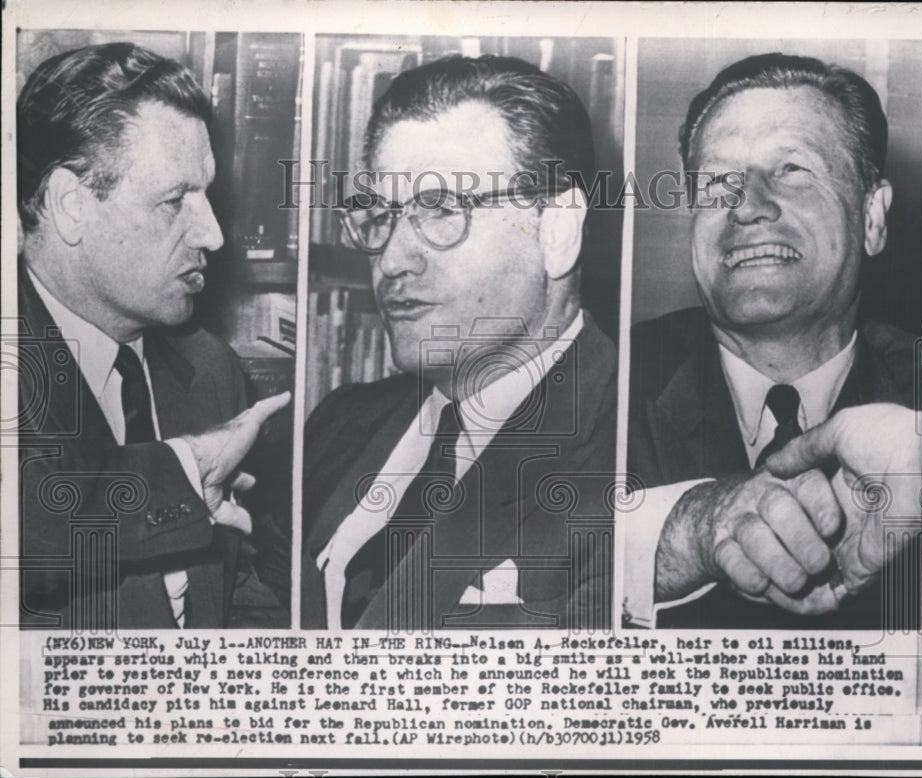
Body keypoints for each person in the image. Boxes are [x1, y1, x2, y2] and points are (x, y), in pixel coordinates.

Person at [301, 55, 617, 630]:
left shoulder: (634, 443)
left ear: (557, 229)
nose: (391, 261)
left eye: (441, 210)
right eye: (382, 215)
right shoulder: (337, 427)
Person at [627, 53, 922, 629]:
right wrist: (690, 531)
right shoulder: (601, 383)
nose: (748, 206)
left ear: (872, 218)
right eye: (718, 181)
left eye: (791, 169)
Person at [17, 42, 288, 630]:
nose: (213, 235)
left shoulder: (210, 368)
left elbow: (236, 583)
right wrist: (186, 469)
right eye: (174, 200)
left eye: (207, 195)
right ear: (72, 206)